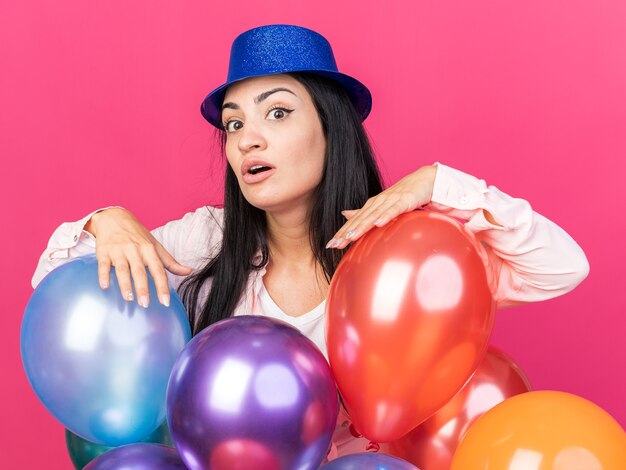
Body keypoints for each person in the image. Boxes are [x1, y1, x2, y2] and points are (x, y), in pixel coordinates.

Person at [32, 24, 589, 457]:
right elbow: (59, 292)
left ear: (331, 126)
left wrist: (440, 183)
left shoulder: (402, 250)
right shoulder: (208, 238)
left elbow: (562, 267)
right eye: (233, 123)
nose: (248, 139)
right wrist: (105, 221)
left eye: (277, 112)